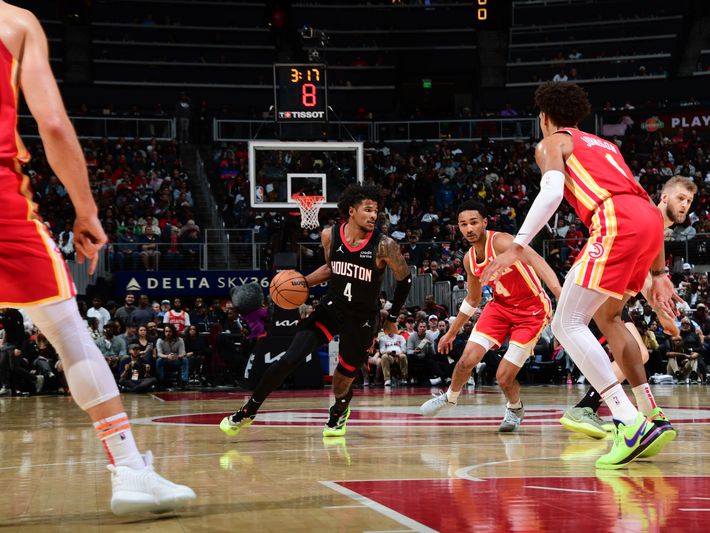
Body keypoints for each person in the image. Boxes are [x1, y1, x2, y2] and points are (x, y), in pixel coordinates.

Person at [0, 2, 194, 514]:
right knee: (68, 333)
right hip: (2, 204)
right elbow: (55, 126)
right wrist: (86, 211)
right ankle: (129, 471)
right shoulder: (15, 23)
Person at [481, 82, 677, 469]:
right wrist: (660, 272)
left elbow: (552, 192)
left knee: (567, 322)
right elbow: (645, 206)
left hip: (616, 221)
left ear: (544, 116)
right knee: (608, 317)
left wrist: (519, 245)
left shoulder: (553, 141)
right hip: (649, 224)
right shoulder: (607, 146)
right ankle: (651, 413)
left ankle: (628, 421)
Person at [220, 184, 412, 437]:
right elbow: (331, 268)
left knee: (341, 380)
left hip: (363, 318)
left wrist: (393, 316)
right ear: (351, 211)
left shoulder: (384, 245)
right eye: (368, 210)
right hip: (332, 307)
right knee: (289, 358)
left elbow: (405, 279)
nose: (374, 215)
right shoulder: (330, 235)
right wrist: (301, 283)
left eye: (376, 211)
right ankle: (249, 410)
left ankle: (340, 410)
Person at [559, 175, 696, 438]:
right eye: (680, 198)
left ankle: (595, 407)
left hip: (613, 293)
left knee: (639, 355)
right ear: (664, 197)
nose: (684, 205)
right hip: (593, 289)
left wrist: (660, 305)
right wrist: (658, 308)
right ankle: (598, 408)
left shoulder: (657, 231)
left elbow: (644, 275)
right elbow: (645, 276)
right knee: (632, 352)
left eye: (689, 201)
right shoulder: (645, 220)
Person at [420, 200, 561, 432]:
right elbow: (473, 300)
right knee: (466, 360)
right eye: (463, 224)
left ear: (484, 222)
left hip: (532, 310)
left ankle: (515, 408)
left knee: (504, 377)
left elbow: (536, 259)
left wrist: (559, 293)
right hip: (500, 307)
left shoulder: (502, 241)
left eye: (474, 222)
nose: (469, 229)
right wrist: (451, 333)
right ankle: (450, 397)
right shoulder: (468, 259)